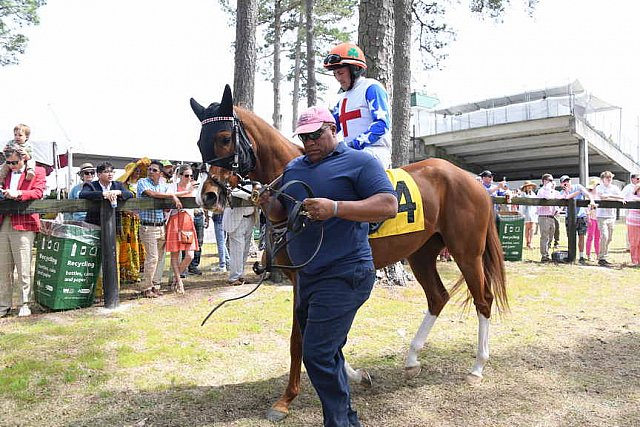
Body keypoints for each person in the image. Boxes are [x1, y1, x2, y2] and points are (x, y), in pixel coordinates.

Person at [260, 106, 397, 427]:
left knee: (318, 354)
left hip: (346, 272)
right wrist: (270, 203)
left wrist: (335, 207)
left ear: (333, 130)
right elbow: (282, 211)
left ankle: (340, 423)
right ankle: (346, 419)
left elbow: (388, 205)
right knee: (327, 351)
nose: (309, 141)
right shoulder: (294, 167)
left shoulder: (361, 162)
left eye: (316, 134)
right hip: (308, 274)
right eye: (304, 136)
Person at [323, 42, 392, 169]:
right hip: (352, 153)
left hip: (375, 151)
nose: (338, 78)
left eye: (341, 73)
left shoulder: (371, 88)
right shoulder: (342, 99)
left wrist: (353, 145)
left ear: (354, 69)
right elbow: (330, 128)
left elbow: (382, 124)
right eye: (335, 74)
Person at [0, 147, 46, 317]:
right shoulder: (4, 171)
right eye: (9, 162)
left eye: (15, 162)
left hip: (24, 222)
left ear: (24, 158)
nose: (12, 165)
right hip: (4, 221)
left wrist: (18, 193)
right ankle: (3, 305)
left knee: (24, 266)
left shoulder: (38, 171)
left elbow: (38, 192)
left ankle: (24, 303)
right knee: (3, 267)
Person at [137, 160, 182, 297]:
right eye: (149, 169)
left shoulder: (163, 185)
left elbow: (167, 199)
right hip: (148, 226)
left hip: (161, 225)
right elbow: (152, 194)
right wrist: (172, 196)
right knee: (153, 258)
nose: (150, 172)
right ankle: (146, 288)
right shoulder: (142, 182)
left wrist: (172, 196)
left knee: (159, 257)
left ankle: (155, 285)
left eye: (154, 170)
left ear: (160, 174)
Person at [165, 164, 199, 294]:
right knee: (175, 254)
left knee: (189, 255)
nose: (189, 178)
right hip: (175, 220)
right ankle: (179, 281)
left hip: (187, 221)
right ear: (180, 175)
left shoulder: (193, 188)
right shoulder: (173, 186)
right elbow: (168, 194)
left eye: (191, 176)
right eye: (186, 175)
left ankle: (175, 278)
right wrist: (176, 196)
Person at [116, 158, 150, 284]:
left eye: (139, 170)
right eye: (134, 170)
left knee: (140, 244)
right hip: (126, 220)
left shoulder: (141, 184)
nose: (137, 172)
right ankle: (127, 273)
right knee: (127, 245)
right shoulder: (123, 185)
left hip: (139, 220)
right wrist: (130, 212)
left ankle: (137, 271)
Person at [222, 182, 257, 285]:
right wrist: (251, 195)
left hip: (250, 218)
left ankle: (241, 275)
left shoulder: (252, 180)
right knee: (237, 250)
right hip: (236, 220)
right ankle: (234, 277)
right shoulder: (234, 182)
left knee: (245, 250)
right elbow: (235, 192)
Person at [79, 161, 134, 227]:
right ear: (99, 175)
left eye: (111, 171)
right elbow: (82, 194)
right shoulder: (91, 185)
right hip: (94, 223)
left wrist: (118, 192)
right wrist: (103, 194)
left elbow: (130, 194)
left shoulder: (118, 185)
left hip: (115, 223)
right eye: (106, 172)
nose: (110, 174)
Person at [558, 175, 597, 264]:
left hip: (581, 216)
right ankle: (572, 256)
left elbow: (587, 193)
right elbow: (567, 197)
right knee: (571, 237)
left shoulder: (578, 186)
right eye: (564, 182)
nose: (566, 183)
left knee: (581, 236)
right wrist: (576, 192)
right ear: (561, 184)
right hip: (570, 218)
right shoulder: (562, 192)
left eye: (568, 180)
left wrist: (592, 201)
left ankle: (581, 256)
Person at [595, 170, 624, 266]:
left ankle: (604, 255)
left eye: (610, 177)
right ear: (603, 179)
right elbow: (602, 197)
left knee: (610, 238)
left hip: (612, 216)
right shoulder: (599, 187)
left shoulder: (615, 187)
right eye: (607, 177)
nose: (609, 179)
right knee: (604, 236)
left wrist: (612, 196)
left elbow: (621, 196)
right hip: (601, 216)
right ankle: (601, 257)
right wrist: (615, 198)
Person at [0, 124, 36, 188]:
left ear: (26, 137)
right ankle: (1, 179)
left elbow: (29, 157)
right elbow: (6, 152)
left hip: (24, 160)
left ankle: (30, 171)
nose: (17, 137)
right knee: (4, 166)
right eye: (15, 135)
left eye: (20, 135)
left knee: (31, 161)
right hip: (12, 159)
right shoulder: (11, 142)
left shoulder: (28, 146)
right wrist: (5, 150)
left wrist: (26, 154)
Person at [536, 174, 561, 262]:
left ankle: (547, 253)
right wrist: (548, 187)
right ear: (544, 181)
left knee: (551, 236)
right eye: (549, 180)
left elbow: (560, 198)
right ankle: (544, 256)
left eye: (552, 180)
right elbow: (547, 197)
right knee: (544, 236)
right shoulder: (541, 190)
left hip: (551, 217)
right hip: (543, 216)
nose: (551, 182)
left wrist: (558, 209)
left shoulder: (553, 191)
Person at [621, 173, 640, 251]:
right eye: (637, 178)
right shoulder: (628, 187)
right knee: (630, 229)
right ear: (632, 179)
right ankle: (629, 246)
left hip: (638, 210)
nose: (639, 180)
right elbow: (622, 195)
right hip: (630, 209)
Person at [518, 181, 538, 249]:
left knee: (532, 227)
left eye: (530, 186)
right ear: (525, 187)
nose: (529, 187)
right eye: (528, 186)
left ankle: (531, 242)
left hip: (533, 212)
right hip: (525, 212)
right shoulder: (523, 194)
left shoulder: (533, 194)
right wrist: (522, 213)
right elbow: (521, 205)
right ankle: (527, 242)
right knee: (527, 227)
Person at [585, 179, 601, 261]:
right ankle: (588, 255)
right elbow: (587, 208)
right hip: (592, 218)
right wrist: (588, 218)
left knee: (598, 238)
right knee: (590, 237)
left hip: (599, 218)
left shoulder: (599, 195)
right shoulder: (589, 195)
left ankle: (598, 254)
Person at [625, 183, 640, 267]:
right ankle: (634, 260)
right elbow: (630, 198)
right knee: (634, 242)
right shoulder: (632, 197)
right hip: (633, 222)